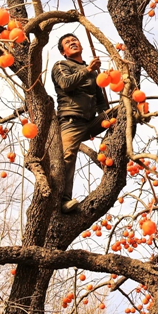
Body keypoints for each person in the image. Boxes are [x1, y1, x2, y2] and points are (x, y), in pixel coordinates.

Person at [51, 33, 107, 213]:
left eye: (74, 40)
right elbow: (66, 84)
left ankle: (112, 150)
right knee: (67, 157)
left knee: (120, 112)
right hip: (71, 121)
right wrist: (88, 70)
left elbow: (101, 103)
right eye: (67, 42)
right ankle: (63, 201)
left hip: (91, 121)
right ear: (64, 52)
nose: (72, 43)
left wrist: (109, 118)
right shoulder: (61, 65)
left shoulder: (92, 71)